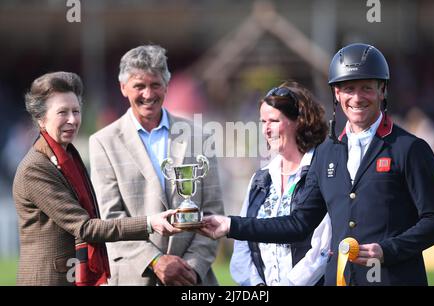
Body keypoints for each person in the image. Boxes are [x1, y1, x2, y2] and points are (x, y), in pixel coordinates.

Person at [199, 43, 434, 285]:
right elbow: (298, 223)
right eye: (349, 89)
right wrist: (231, 225)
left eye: (367, 88)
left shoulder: (410, 148)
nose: (357, 97)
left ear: (382, 90)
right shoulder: (326, 152)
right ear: (337, 94)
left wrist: (387, 250)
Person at [13, 71, 181, 286]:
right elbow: (85, 228)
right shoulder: (36, 168)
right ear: (41, 118)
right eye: (62, 112)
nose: (72, 120)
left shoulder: (68, 157)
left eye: (76, 111)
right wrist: (150, 223)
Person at [89, 44, 224, 286]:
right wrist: (156, 262)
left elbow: (213, 212)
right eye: (139, 86)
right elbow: (110, 219)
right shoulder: (103, 142)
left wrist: (192, 268)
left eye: (155, 85)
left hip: (192, 281)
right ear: (123, 88)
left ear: (167, 86)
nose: (148, 94)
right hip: (135, 277)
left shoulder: (200, 137)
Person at [230, 81, 331, 286]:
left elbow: (322, 249)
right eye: (262, 121)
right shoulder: (260, 178)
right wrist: (256, 285)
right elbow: (242, 245)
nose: (266, 129)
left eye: (274, 121)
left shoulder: (321, 171)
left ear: (299, 121)